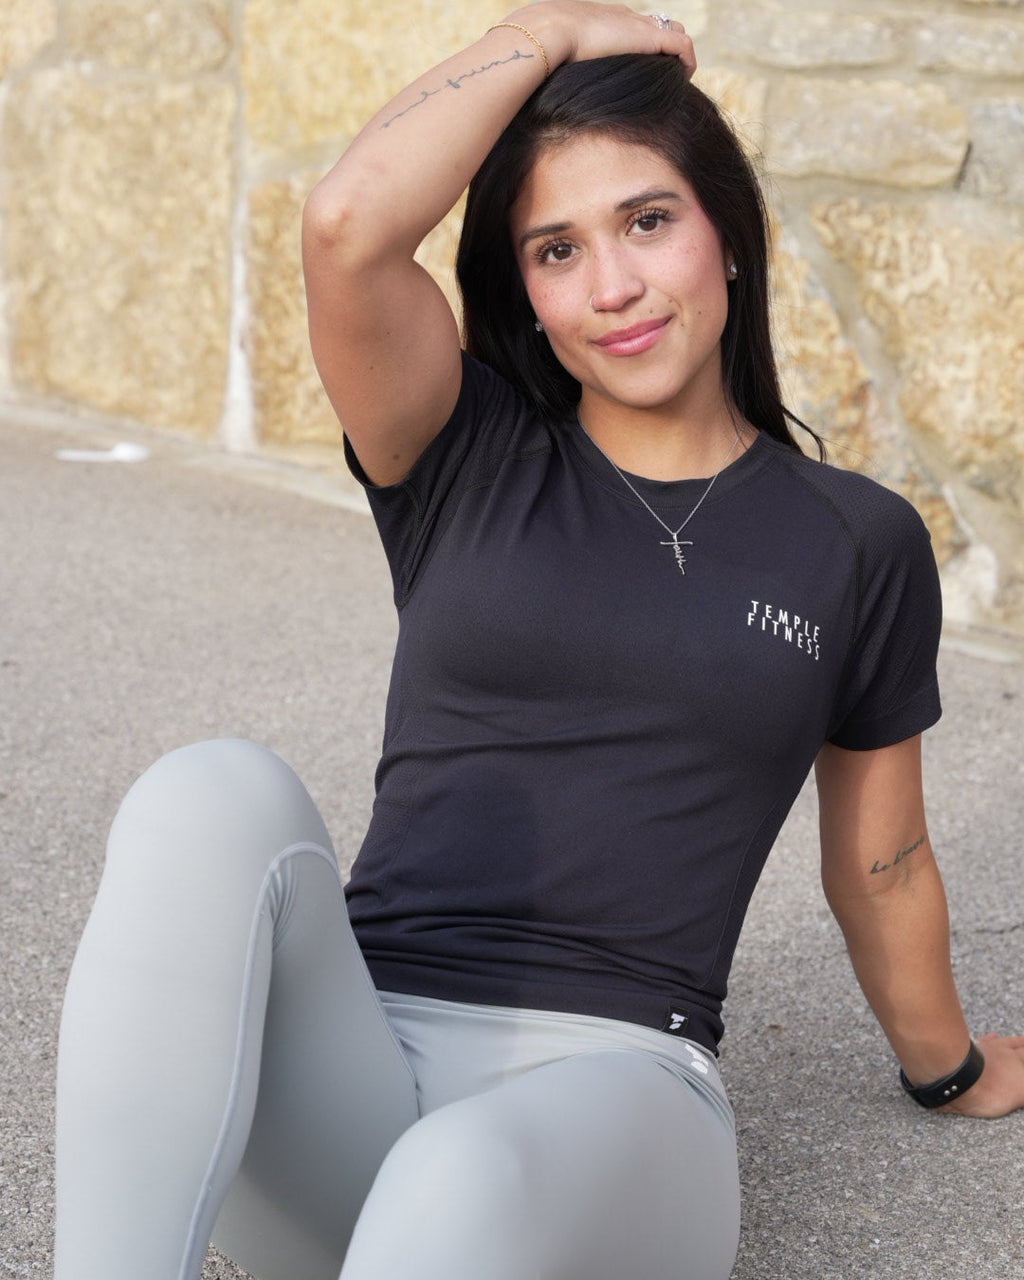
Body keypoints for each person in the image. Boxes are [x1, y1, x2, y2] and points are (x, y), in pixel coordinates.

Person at [54, 5, 1024, 1279]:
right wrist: (550, 32)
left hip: (617, 1098)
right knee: (207, 791)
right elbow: (348, 224)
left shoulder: (854, 539)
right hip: (359, 1079)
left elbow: (883, 857)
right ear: (524, 288)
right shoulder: (465, 448)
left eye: (646, 220)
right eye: (555, 249)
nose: (611, 287)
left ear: (727, 233)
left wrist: (947, 1065)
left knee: (459, 1180)